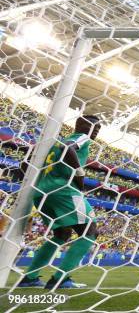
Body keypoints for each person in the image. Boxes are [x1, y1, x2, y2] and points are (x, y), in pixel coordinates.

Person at [18, 116, 101, 289]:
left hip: (41, 192)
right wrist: (79, 174)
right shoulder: (80, 137)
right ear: (82, 125)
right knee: (90, 231)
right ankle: (60, 279)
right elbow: (67, 148)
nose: (97, 130)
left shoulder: (52, 142)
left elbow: (24, 163)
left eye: (99, 128)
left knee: (61, 235)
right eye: (95, 126)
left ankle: (30, 277)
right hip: (63, 190)